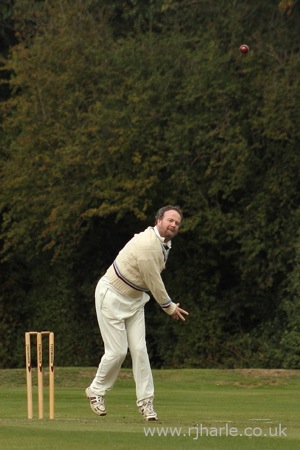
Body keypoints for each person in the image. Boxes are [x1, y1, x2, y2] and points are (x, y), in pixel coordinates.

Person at [85, 205, 189, 421]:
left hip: (134, 300)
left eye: (177, 223)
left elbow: (152, 277)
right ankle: (96, 391)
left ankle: (146, 403)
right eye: (170, 220)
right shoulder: (146, 244)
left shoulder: (164, 244)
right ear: (158, 220)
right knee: (117, 352)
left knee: (140, 350)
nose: (173, 225)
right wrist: (169, 306)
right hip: (111, 295)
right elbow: (154, 280)